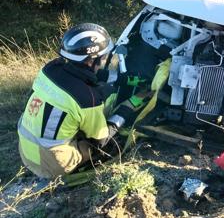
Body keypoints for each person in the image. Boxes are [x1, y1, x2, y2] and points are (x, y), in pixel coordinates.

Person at [17, 23, 146, 178]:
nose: (104, 60)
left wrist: (123, 79)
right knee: (102, 144)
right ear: (91, 60)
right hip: (52, 165)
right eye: (103, 57)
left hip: (26, 152)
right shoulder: (87, 99)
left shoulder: (51, 69)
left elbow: (86, 74)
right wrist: (129, 106)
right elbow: (101, 139)